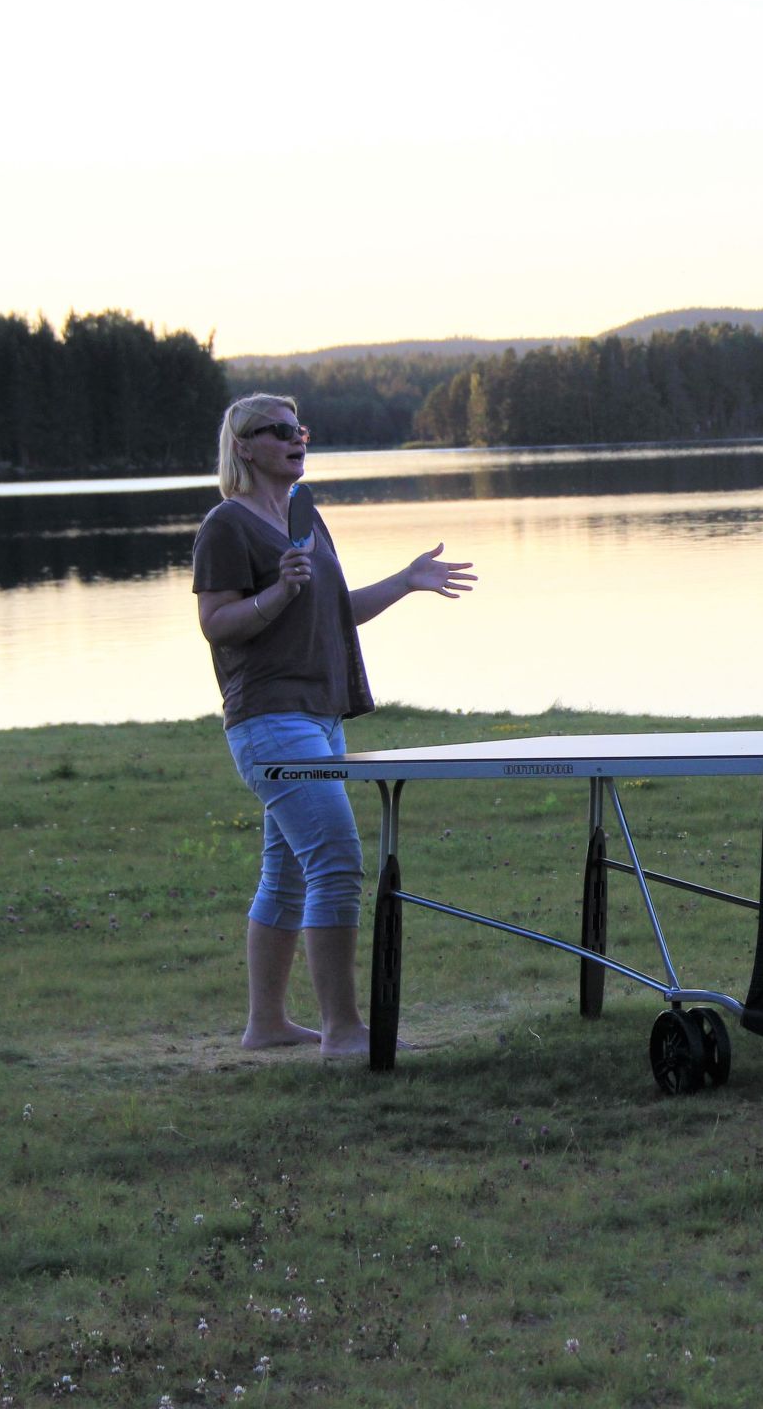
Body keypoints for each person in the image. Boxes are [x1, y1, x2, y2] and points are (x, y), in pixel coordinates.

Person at [193, 394, 478, 1056]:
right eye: (281, 432)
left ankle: (265, 1026)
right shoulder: (226, 526)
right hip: (268, 718)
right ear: (244, 445)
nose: (298, 440)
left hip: (320, 718)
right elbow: (215, 623)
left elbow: (335, 610)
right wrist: (277, 593)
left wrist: (406, 581)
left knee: (287, 872)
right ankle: (343, 1030)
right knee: (336, 862)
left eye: (301, 430)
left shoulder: (304, 516)